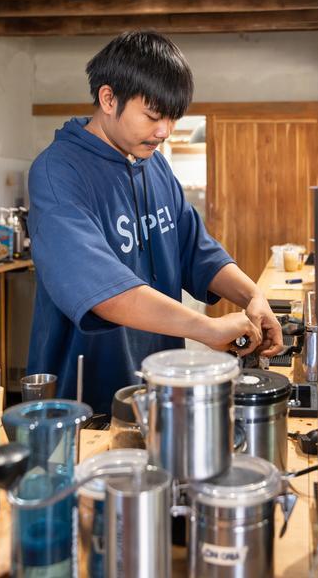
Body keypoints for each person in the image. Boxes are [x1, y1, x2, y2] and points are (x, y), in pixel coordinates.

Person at [26, 31, 283, 414]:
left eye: (172, 118)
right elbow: (103, 290)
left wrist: (252, 296)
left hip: (159, 383)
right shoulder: (58, 173)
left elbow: (196, 250)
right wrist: (206, 329)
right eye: (152, 116)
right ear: (108, 99)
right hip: (83, 396)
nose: (164, 131)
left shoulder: (155, 165)